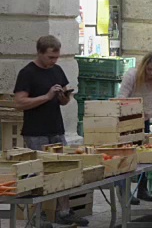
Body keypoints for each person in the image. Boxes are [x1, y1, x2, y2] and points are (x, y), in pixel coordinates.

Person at [13, 36, 89, 227]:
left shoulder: (57, 70)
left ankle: (64, 211)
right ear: (39, 53)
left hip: (56, 127)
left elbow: (63, 100)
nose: (53, 61)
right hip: (35, 131)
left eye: (56, 57)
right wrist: (46, 97)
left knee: (64, 167)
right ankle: (38, 216)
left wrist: (64, 97)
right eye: (50, 57)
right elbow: (19, 102)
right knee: (39, 171)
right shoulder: (27, 73)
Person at [118, 52, 152, 204]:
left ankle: (142, 188)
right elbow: (121, 98)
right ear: (144, 66)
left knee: (143, 155)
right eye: (149, 70)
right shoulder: (131, 76)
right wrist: (134, 111)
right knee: (127, 156)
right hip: (127, 121)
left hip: (144, 120)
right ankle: (124, 192)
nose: (151, 74)